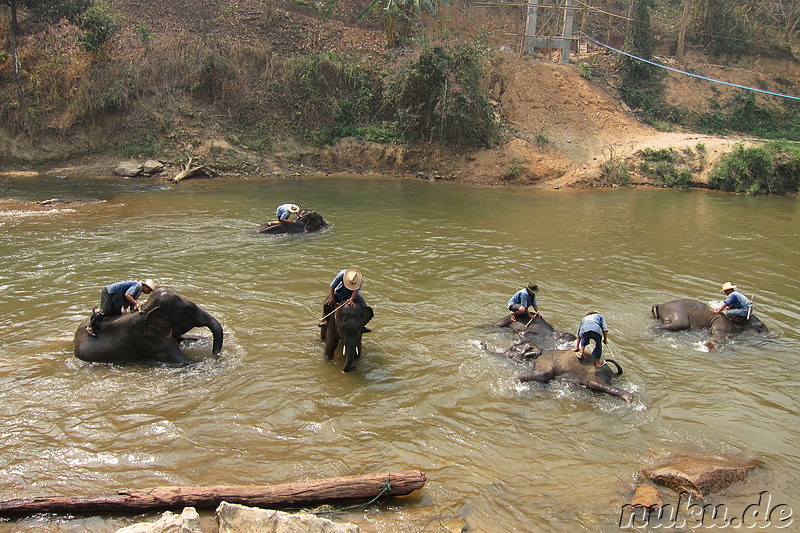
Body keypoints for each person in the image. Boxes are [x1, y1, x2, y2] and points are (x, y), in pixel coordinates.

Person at [84, 279, 157, 337]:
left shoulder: (138, 292)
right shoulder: (138, 286)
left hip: (117, 297)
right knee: (105, 312)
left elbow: (131, 303)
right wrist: (136, 303)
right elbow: (128, 295)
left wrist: (132, 313)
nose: (149, 292)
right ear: (146, 287)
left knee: (115, 314)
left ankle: (98, 311)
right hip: (109, 293)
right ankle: (90, 326)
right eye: (150, 290)